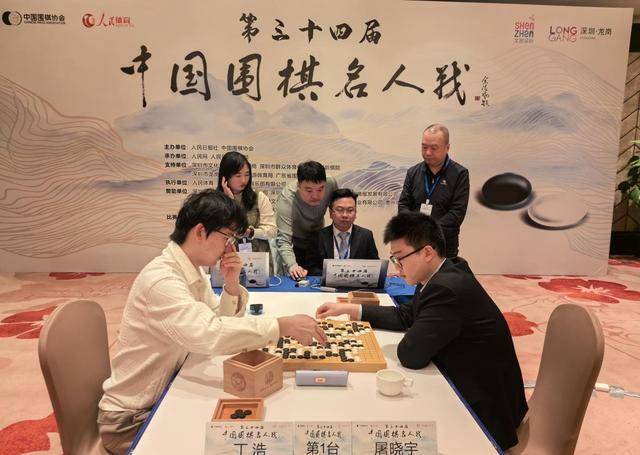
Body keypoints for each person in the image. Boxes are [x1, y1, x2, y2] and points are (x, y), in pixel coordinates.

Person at [98, 190, 326, 454]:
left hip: (165, 390)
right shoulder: (162, 281)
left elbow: (219, 322)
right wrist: (281, 326)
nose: (229, 247)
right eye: (226, 238)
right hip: (131, 419)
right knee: (233, 443)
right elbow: (210, 335)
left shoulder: (190, 269)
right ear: (200, 232)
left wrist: (231, 284)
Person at [316, 212, 527, 451]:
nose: (397, 269)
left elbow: (411, 354)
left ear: (427, 252)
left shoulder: (446, 289)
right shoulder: (441, 272)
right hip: (473, 384)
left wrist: (415, 332)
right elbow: (407, 315)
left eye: (400, 259)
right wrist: (349, 309)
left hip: (482, 411)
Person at [398, 124, 469, 257]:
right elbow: (403, 205)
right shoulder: (413, 172)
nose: (428, 152)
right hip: (414, 245)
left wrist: (429, 231)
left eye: (433, 148)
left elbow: (457, 212)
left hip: (444, 246)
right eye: (424, 147)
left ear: (447, 147)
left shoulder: (459, 174)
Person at [275, 161, 338, 279]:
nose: (315, 196)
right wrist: (292, 265)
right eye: (309, 191)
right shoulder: (287, 199)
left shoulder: (330, 183)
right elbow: (283, 240)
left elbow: (337, 209)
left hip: (318, 242)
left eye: (320, 189)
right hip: (295, 244)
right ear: (299, 185)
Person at [217, 151, 277, 269]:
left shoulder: (258, 197)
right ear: (225, 177)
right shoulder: (215, 201)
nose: (244, 180)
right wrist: (230, 201)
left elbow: (272, 230)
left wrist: (251, 232)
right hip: (227, 263)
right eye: (238, 175)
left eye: (247, 174)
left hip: (257, 263)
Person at [310, 188, 379, 275]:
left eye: (350, 210)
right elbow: (310, 267)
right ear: (331, 213)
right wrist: (330, 275)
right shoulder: (318, 236)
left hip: (356, 282)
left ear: (355, 213)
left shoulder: (366, 235)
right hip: (328, 283)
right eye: (340, 210)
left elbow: (375, 266)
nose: (345, 215)